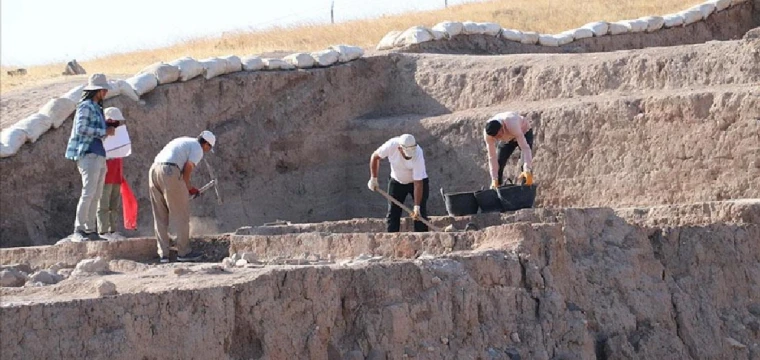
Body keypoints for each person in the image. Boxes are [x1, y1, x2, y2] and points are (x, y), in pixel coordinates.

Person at [149, 131, 216, 263]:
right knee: (181, 215)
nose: (208, 151)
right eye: (209, 148)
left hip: (153, 171)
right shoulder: (198, 148)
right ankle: (183, 253)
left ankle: (164, 254)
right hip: (169, 171)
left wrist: (187, 188)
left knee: (160, 215)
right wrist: (189, 188)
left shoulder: (184, 140)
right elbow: (187, 169)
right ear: (206, 144)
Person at [64, 74, 115, 242]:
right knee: (88, 192)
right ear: (97, 91)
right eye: (104, 89)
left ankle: (91, 230)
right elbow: (81, 129)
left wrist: (107, 127)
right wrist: (103, 131)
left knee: (96, 194)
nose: (106, 92)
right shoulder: (85, 106)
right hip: (88, 154)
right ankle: (79, 229)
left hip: (99, 154)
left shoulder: (96, 108)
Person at [367, 134, 430, 233]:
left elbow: (418, 183)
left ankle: (422, 241)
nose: (408, 157)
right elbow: (375, 157)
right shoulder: (391, 145)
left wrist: (416, 207)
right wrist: (373, 178)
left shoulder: (418, 153)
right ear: (400, 149)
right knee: (393, 213)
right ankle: (391, 241)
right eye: (406, 155)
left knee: (420, 214)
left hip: (415, 183)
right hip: (397, 182)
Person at [98, 107, 129, 240]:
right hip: (105, 176)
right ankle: (103, 231)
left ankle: (113, 230)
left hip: (116, 175)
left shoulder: (118, 135)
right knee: (103, 204)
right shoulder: (100, 135)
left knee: (114, 205)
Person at [483, 111, 534, 189]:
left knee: (524, 166)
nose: (498, 138)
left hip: (523, 132)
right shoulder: (488, 135)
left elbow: (525, 148)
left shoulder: (512, 123)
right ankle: (497, 189)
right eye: (496, 137)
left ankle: (526, 190)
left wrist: (527, 168)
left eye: (499, 135)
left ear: (501, 127)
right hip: (508, 139)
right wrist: (494, 178)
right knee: (499, 162)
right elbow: (492, 157)